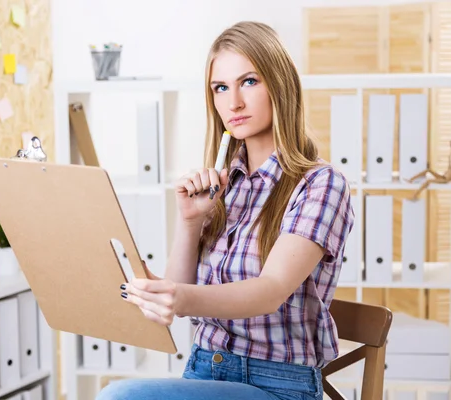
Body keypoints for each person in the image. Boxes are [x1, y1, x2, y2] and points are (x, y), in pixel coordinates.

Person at [97, 21, 354, 400]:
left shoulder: (321, 184)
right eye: (221, 87)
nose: (233, 102)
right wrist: (189, 221)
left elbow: (270, 291)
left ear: (279, 85)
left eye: (249, 81)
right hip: (203, 369)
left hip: (278, 385)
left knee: (119, 397)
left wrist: (180, 298)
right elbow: (180, 290)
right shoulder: (221, 185)